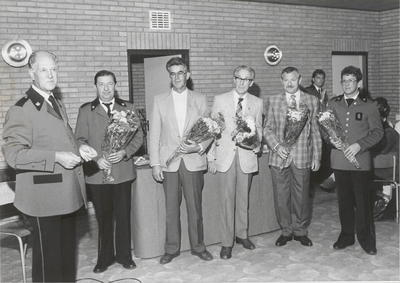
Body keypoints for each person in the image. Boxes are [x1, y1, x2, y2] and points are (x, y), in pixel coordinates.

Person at [2, 51, 92, 282]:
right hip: (44, 198)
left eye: (53, 69)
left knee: (65, 257)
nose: (50, 75)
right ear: (31, 73)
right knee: (48, 262)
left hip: (66, 193)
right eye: (43, 70)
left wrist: (79, 149)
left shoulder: (56, 102)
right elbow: (13, 155)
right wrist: (56, 158)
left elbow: (63, 139)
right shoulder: (22, 109)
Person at [75, 70, 143, 273]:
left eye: (109, 84)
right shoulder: (86, 110)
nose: (106, 88)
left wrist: (125, 152)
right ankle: (104, 258)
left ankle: (124, 256)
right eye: (101, 84)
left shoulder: (128, 108)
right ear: (95, 86)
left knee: (123, 216)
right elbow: (79, 139)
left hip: (122, 172)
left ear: (115, 85)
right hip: (98, 175)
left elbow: (139, 137)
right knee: (103, 218)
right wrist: (96, 159)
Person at [149, 57, 213, 264]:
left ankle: (198, 247)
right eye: (173, 73)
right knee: (170, 209)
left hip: (193, 161)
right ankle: (171, 248)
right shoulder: (159, 100)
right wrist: (155, 163)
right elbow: (154, 134)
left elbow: (210, 130)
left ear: (187, 74)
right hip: (169, 163)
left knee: (195, 207)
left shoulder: (200, 99)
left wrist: (200, 147)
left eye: (180, 72)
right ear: (170, 76)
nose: (177, 77)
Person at [208, 65, 263, 260]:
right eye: (238, 78)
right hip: (225, 157)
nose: (241, 82)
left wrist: (258, 144)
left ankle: (242, 235)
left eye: (246, 79)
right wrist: (211, 157)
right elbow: (212, 129)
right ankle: (226, 242)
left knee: (243, 199)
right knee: (226, 201)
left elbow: (259, 129)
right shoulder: (220, 100)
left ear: (251, 82)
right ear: (234, 79)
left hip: (246, 157)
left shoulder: (257, 103)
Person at [327, 65, 383, 255]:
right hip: (339, 160)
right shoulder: (333, 103)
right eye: (344, 80)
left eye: (351, 80)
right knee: (344, 201)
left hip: (361, 161)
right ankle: (346, 236)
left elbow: (378, 132)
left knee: (362, 202)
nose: (347, 84)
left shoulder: (370, 105)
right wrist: (330, 139)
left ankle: (367, 240)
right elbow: (325, 129)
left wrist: (360, 145)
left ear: (359, 83)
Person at [264, 66, 322, 247]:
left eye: (293, 79)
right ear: (281, 81)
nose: (289, 83)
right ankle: (286, 230)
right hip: (279, 157)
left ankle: (300, 231)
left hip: (303, 155)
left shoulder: (312, 100)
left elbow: (316, 131)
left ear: (300, 80)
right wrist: (276, 145)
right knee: (281, 196)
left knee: (302, 196)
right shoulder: (273, 101)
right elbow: (267, 128)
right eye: (286, 80)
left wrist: (317, 156)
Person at [304, 69, 333, 193]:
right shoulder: (308, 91)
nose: (320, 80)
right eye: (318, 78)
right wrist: (321, 100)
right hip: (312, 128)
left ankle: (323, 182)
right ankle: (309, 187)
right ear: (313, 79)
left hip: (323, 128)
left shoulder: (323, 92)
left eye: (322, 78)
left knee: (324, 155)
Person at [371, 97, 399, 221]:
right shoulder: (384, 132)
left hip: (392, 171)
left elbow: (383, 151)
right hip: (386, 168)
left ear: (384, 119)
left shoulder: (390, 132)